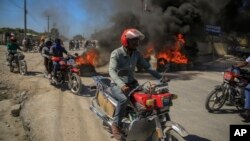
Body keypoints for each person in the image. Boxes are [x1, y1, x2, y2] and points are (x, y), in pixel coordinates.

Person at [109, 28, 168, 140]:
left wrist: (161, 77)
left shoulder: (136, 54)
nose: (137, 42)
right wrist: (121, 84)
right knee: (123, 99)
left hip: (132, 84)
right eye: (134, 40)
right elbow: (111, 71)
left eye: (137, 40)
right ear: (126, 41)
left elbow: (148, 67)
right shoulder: (116, 53)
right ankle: (115, 124)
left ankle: (144, 121)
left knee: (148, 97)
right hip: (117, 85)